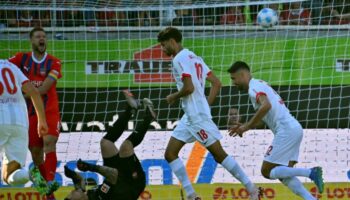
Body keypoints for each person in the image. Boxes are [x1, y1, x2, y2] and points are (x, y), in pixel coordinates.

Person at [157, 27, 261, 200]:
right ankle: (191, 195)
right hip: (190, 117)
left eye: (163, 45)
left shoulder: (178, 59)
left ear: (172, 41)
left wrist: (174, 96)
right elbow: (216, 83)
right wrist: (205, 105)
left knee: (219, 154)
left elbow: (189, 88)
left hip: (197, 117)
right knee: (170, 153)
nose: (163, 49)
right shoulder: (193, 56)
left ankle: (252, 189)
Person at [227, 61, 324, 200]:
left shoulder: (253, 87)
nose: (233, 83)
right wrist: (246, 126)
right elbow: (263, 118)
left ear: (242, 75)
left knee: (266, 171)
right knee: (284, 174)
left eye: (233, 78)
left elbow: (266, 106)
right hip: (294, 129)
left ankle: (310, 172)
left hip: (286, 131)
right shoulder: (260, 84)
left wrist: (246, 126)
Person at [64, 90, 157, 200]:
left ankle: (131, 109)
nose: (71, 191)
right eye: (71, 194)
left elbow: (79, 183)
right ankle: (148, 118)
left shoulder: (84, 196)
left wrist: (72, 175)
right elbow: (113, 174)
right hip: (132, 184)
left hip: (118, 180)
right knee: (126, 147)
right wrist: (91, 167)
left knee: (105, 144)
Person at [8, 27, 62, 199]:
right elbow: (4, 70)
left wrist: (22, 92)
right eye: (38, 36)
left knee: (49, 141)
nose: (42, 39)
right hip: (29, 112)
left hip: (49, 109)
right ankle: (47, 190)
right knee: (36, 152)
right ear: (31, 40)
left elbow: (45, 87)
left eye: (44, 37)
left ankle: (50, 181)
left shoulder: (54, 62)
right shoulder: (20, 59)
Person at [0, 59, 48, 192]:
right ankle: (29, 174)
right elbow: (34, 91)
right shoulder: (10, 66)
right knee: (8, 176)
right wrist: (42, 121)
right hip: (19, 123)